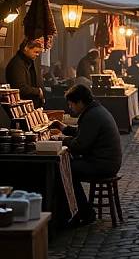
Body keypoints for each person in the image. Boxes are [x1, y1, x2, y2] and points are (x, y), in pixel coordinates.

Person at [50, 84, 122, 225]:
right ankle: (79, 211)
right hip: (106, 161)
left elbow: (80, 146)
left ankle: (82, 213)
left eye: (71, 104)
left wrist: (61, 139)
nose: (70, 108)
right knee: (68, 166)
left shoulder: (92, 115)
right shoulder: (94, 111)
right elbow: (84, 133)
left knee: (65, 170)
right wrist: (64, 128)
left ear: (80, 102)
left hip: (103, 164)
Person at [6, 38, 45, 108]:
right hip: (21, 105)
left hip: (30, 104)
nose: (38, 55)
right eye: (36, 52)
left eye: (39, 53)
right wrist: (38, 91)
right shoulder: (17, 64)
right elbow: (19, 87)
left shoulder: (29, 62)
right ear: (26, 48)